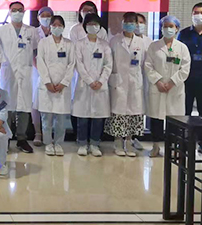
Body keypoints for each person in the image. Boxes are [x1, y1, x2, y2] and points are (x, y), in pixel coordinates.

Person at [0, 1, 37, 153]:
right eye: (14, 10)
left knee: (24, 107)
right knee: (7, 107)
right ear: (9, 12)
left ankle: (22, 139)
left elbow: (36, 52)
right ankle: (5, 137)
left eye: (20, 10)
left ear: (24, 12)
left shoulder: (31, 31)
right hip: (7, 73)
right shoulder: (0, 31)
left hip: (25, 73)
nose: (17, 12)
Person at [145, 16, 191, 158]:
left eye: (171, 26)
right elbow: (148, 66)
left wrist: (172, 82)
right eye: (165, 26)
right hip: (157, 88)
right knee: (156, 119)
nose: (168, 29)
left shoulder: (182, 48)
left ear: (177, 29)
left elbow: (185, 68)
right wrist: (158, 81)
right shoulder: (154, 46)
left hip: (175, 89)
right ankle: (156, 146)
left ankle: (174, 147)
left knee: (174, 120)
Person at [105, 12, 146, 158]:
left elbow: (143, 62)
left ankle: (129, 142)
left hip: (135, 82)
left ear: (136, 24)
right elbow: (109, 61)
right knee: (118, 113)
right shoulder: (114, 41)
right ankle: (117, 142)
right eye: (126, 21)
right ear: (122, 23)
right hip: (119, 81)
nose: (129, 24)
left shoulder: (141, 42)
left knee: (132, 113)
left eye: (132, 22)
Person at [73, 13, 112, 157]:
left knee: (98, 117)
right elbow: (79, 64)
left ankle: (95, 144)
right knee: (82, 117)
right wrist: (90, 81)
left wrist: (101, 81)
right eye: (89, 24)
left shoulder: (105, 45)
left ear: (99, 27)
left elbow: (108, 65)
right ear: (85, 26)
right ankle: (82, 143)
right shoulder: (79, 44)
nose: (92, 26)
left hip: (100, 86)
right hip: (84, 85)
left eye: (95, 24)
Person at [36, 15, 75, 157]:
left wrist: (64, 83)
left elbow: (72, 64)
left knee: (61, 119)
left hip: (62, 87)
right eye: (54, 25)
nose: (57, 27)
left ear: (63, 27)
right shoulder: (43, 43)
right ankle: (48, 143)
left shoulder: (69, 44)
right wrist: (47, 82)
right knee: (46, 118)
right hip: (47, 86)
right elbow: (40, 62)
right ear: (50, 27)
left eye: (59, 25)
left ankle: (58, 143)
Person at [130, 13, 153, 151]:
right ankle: (126, 138)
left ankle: (136, 137)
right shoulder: (126, 40)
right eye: (136, 22)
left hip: (144, 79)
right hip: (130, 78)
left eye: (141, 22)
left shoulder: (149, 41)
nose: (139, 25)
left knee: (139, 110)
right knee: (129, 110)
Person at [31, 5, 54, 147]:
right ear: (38, 18)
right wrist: (41, 70)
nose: (46, 18)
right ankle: (37, 133)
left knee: (50, 102)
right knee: (36, 103)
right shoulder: (34, 32)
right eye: (43, 16)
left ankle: (48, 133)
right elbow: (32, 53)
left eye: (48, 16)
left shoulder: (56, 31)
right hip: (36, 71)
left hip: (53, 73)